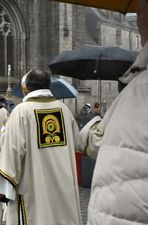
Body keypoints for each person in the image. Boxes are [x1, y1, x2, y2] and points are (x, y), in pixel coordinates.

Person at [80, 1, 148, 224]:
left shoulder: (137, 91)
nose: (138, 20)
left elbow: (92, 145)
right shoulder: (134, 89)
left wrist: (93, 122)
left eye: (141, 11)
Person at [0, 70, 82, 225]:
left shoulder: (21, 111)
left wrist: (3, 189)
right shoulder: (64, 110)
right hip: (63, 186)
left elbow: (12, 153)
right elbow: (76, 143)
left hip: (33, 188)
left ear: (26, 88)